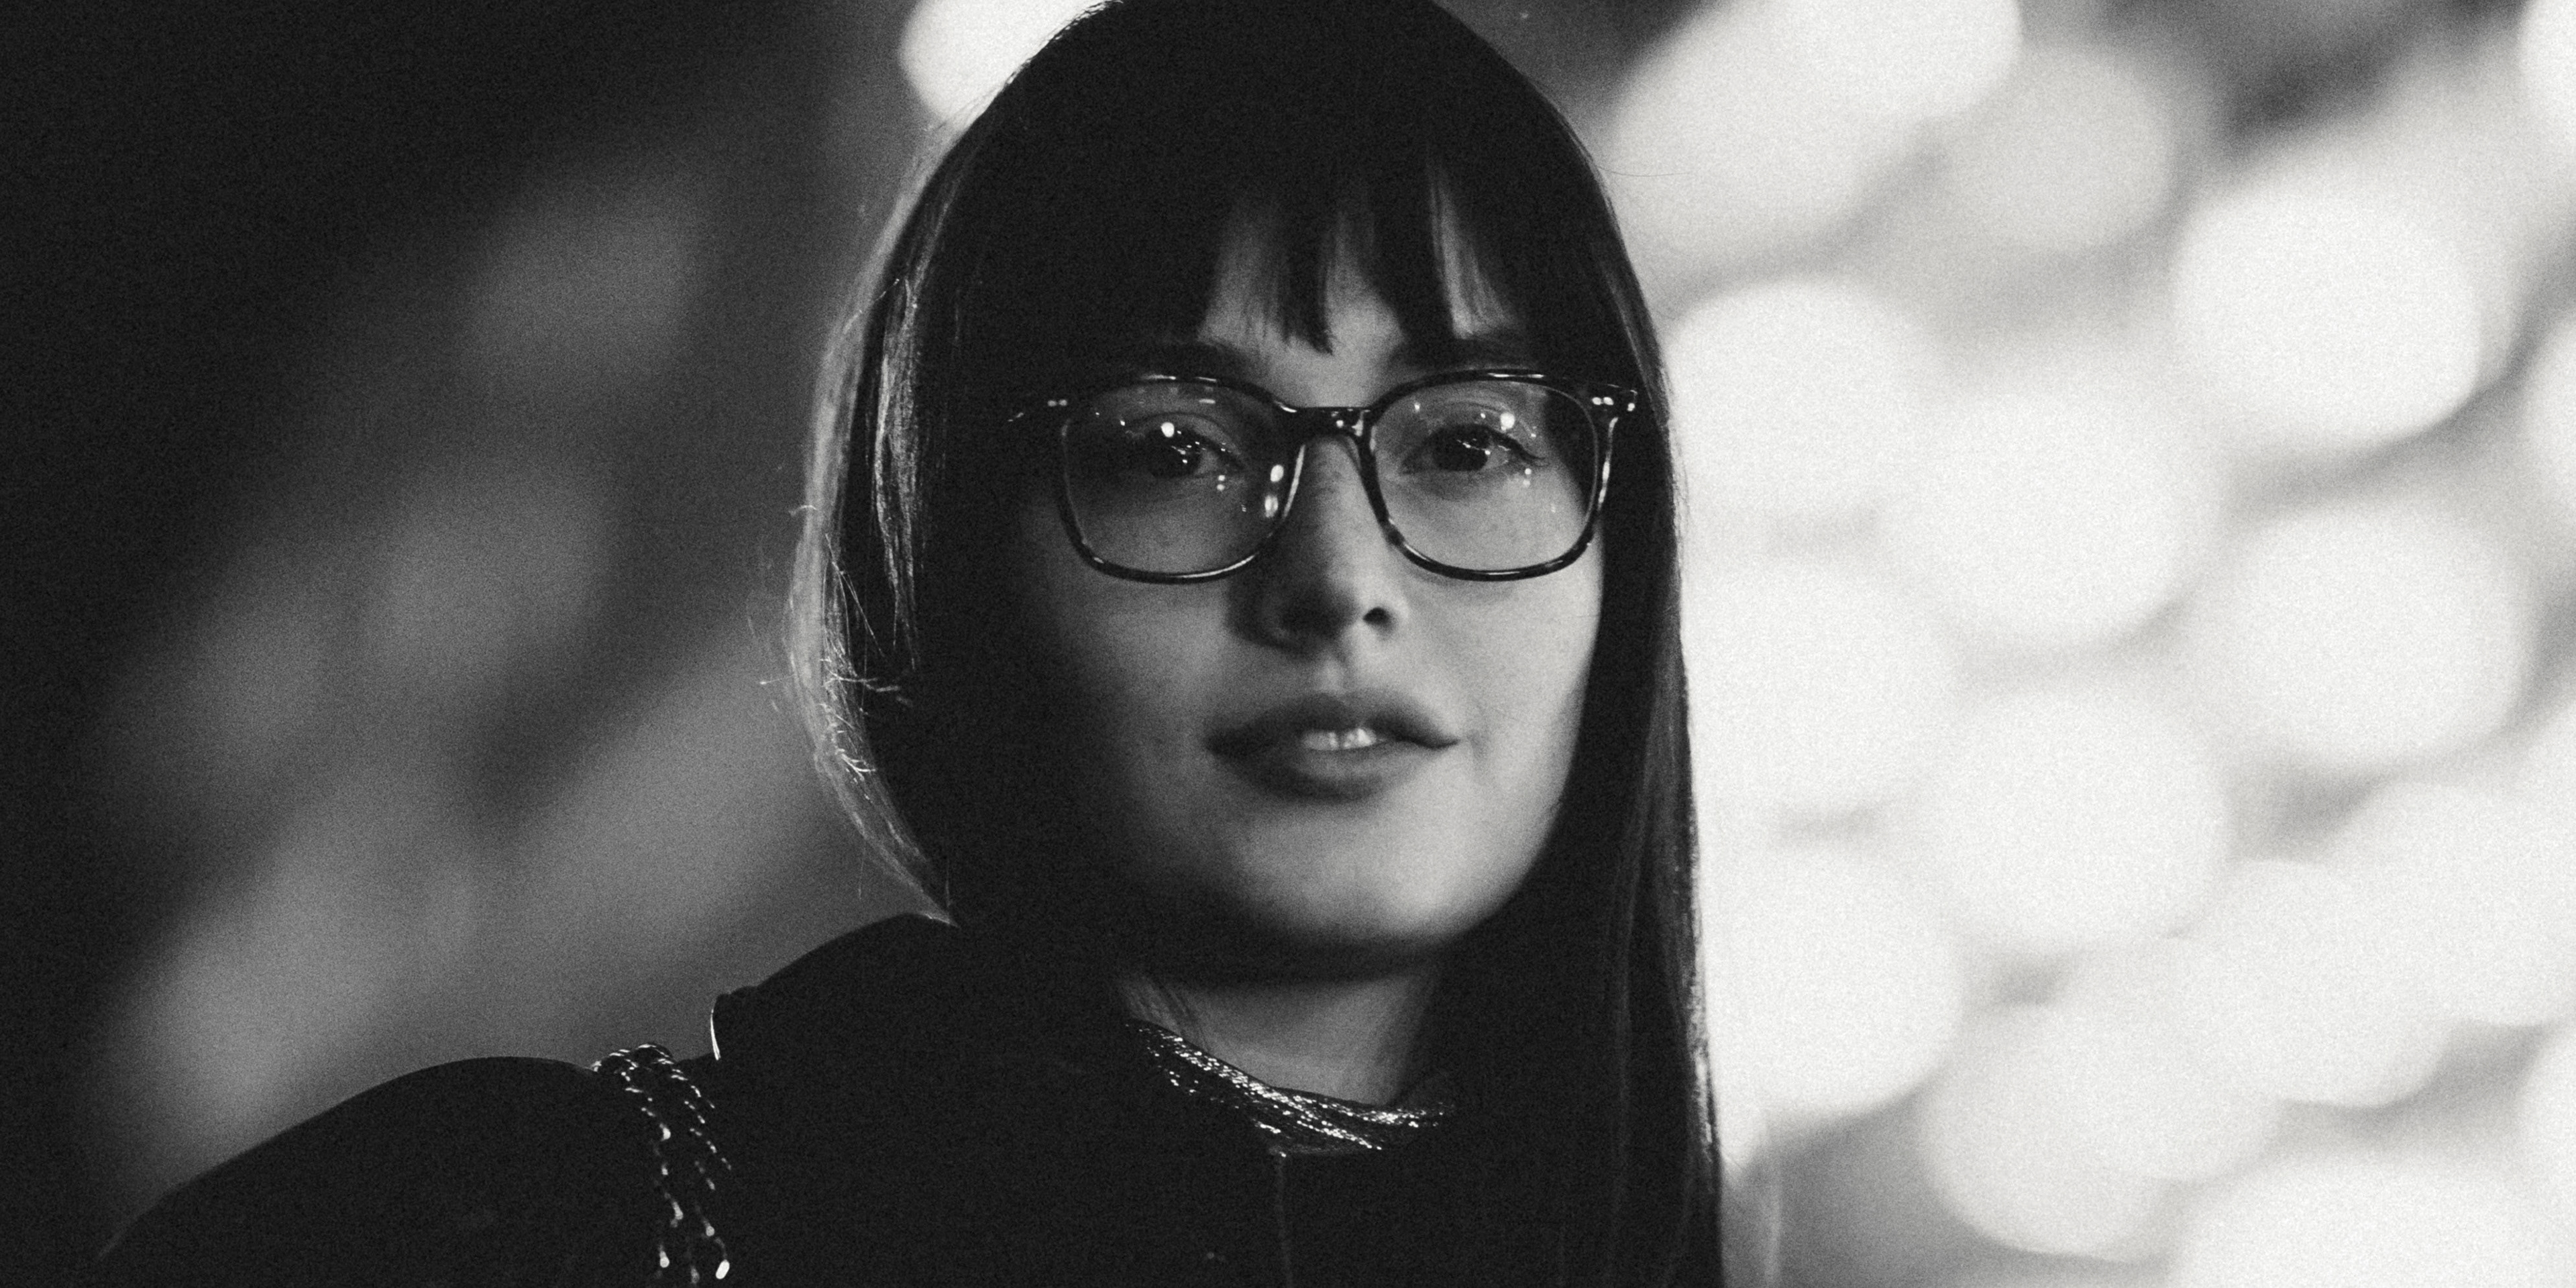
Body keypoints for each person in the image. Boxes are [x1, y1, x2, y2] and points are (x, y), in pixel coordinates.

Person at [89, 1, 1727, 1283]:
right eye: (1172, 451)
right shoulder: (499, 1232)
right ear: (943, 551)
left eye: (1469, 443)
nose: (1338, 578)